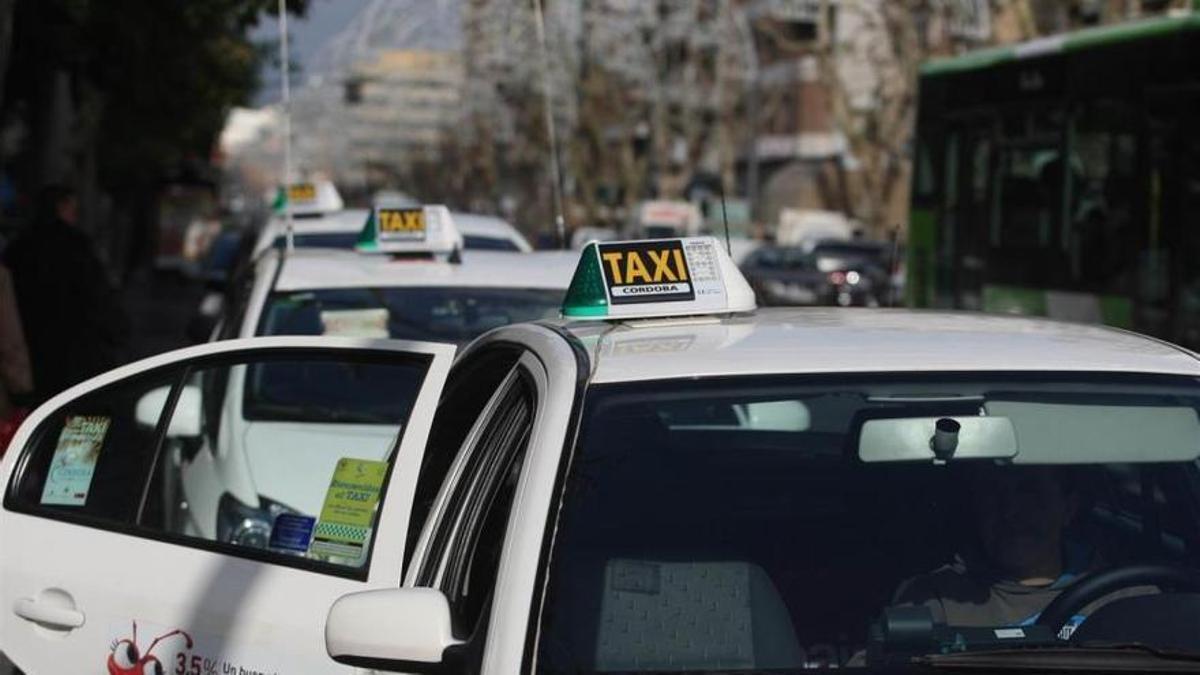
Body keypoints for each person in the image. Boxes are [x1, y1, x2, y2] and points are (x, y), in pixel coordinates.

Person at [893, 465, 1094, 630]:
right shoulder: (933, 599)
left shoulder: (1116, 592)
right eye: (992, 492)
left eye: (1029, 491)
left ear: (1068, 508)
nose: (1009, 511)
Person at [4, 184, 129, 402]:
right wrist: (117, 333)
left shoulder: (18, 249)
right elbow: (99, 298)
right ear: (62, 208)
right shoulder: (76, 246)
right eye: (73, 209)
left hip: (35, 354)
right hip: (75, 357)